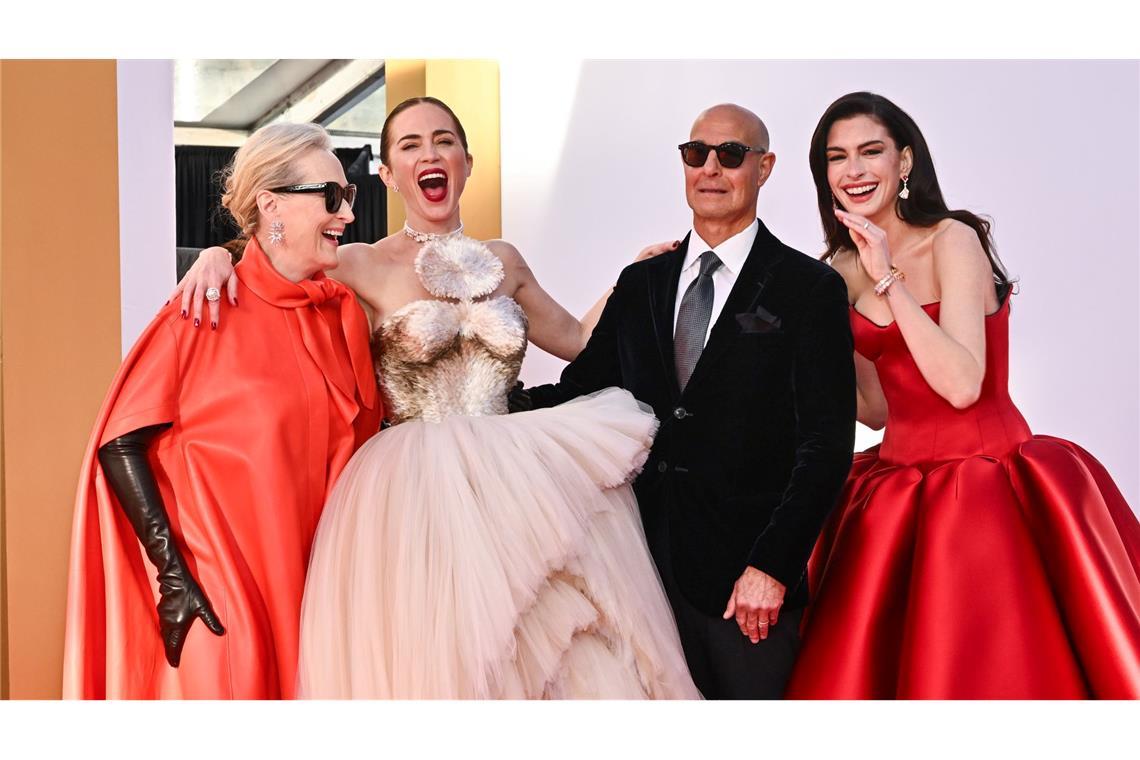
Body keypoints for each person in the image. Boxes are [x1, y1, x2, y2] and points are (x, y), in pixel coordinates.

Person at [176, 97, 699, 698]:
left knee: (550, 651)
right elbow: (273, 267)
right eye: (410, 144)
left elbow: (580, 340)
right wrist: (217, 255)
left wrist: (630, 277)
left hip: (516, 480)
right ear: (387, 174)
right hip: (414, 490)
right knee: (446, 659)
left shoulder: (505, 260)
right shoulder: (356, 261)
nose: (430, 153)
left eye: (444, 140)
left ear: (467, 163)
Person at [785, 91, 1140, 699]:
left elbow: (960, 383)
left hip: (989, 481)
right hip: (895, 483)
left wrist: (887, 279)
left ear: (905, 162)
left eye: (871, 151)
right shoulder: (838, 271)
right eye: (836, 157)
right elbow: (873, 409)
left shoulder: (952, 238)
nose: (854, 170)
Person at [514, 104, 857, 699]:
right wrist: (475, 406)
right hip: (637, 570)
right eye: (696, 154)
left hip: (744, 584)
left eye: (731, 155)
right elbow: (581, 393)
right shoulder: (642, 283)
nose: (711, 169)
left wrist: (773, 567)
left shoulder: (810, 288)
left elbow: (826, 445)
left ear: (764, 167)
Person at [63, 123, 382, 699]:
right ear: (271, 205)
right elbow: (120, 440)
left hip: (322, 594)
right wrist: (174, 576)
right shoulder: (205, 305)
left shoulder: (343, 316)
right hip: (226, 597)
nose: (348, 215)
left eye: (350, 196)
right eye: (331, 198)